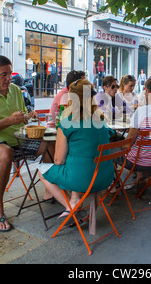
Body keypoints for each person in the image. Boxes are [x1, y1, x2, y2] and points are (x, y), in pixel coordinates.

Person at [0, 55, 51, 232]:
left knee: (51, 145)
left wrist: (28, 117)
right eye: (3, 74)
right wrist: (9, 120)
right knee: (5, 152)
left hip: (15, 139)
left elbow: (21, 116)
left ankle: (50, 189)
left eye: (10, 74)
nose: (8, 78)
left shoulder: (15, 90)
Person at [37, 79, 115, 218]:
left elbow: (58, 160)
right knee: (78, 162)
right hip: (106, 178)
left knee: (41, 171)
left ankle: (71, 206)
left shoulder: (67, 123)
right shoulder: (101, 121)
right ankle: (74, 199)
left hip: (83, 180)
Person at [116, 78, 151, 182]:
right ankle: (140, 178)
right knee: (141, 145)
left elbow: (127, 144)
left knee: (109, 151)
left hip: (135, 161)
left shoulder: (141, 112)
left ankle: (113, 187)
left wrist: (117, 143)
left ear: (148, 92)